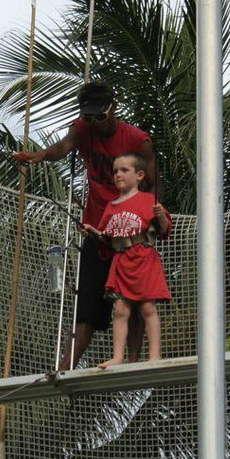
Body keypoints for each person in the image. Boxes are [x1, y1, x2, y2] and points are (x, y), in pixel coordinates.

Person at [13, 80, 157, 369]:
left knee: (135, 298)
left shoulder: (137, 140)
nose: (96, 124)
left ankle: (133, 359)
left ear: (113, 108)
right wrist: (39, 156)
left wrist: (148, 222)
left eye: (100, 117)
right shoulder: (83, 130)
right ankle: (67, 365)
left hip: (128, 231)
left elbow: (153, 186)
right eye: (89, 118)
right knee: (88, 304)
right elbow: (62, 147)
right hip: (95, 229)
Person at [83, 153, 172, 367]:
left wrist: (159, 214)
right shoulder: (112, 206)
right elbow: (106, 238)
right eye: (115, 171)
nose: (118, 175)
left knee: (148, 307)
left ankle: (154, 355)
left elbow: (165, 229)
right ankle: (118, 356)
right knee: (121, 310)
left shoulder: (148, 200)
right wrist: (93, 232)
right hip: (121, 261)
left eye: (124, 170)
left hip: (144, 258)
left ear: (140, 175)